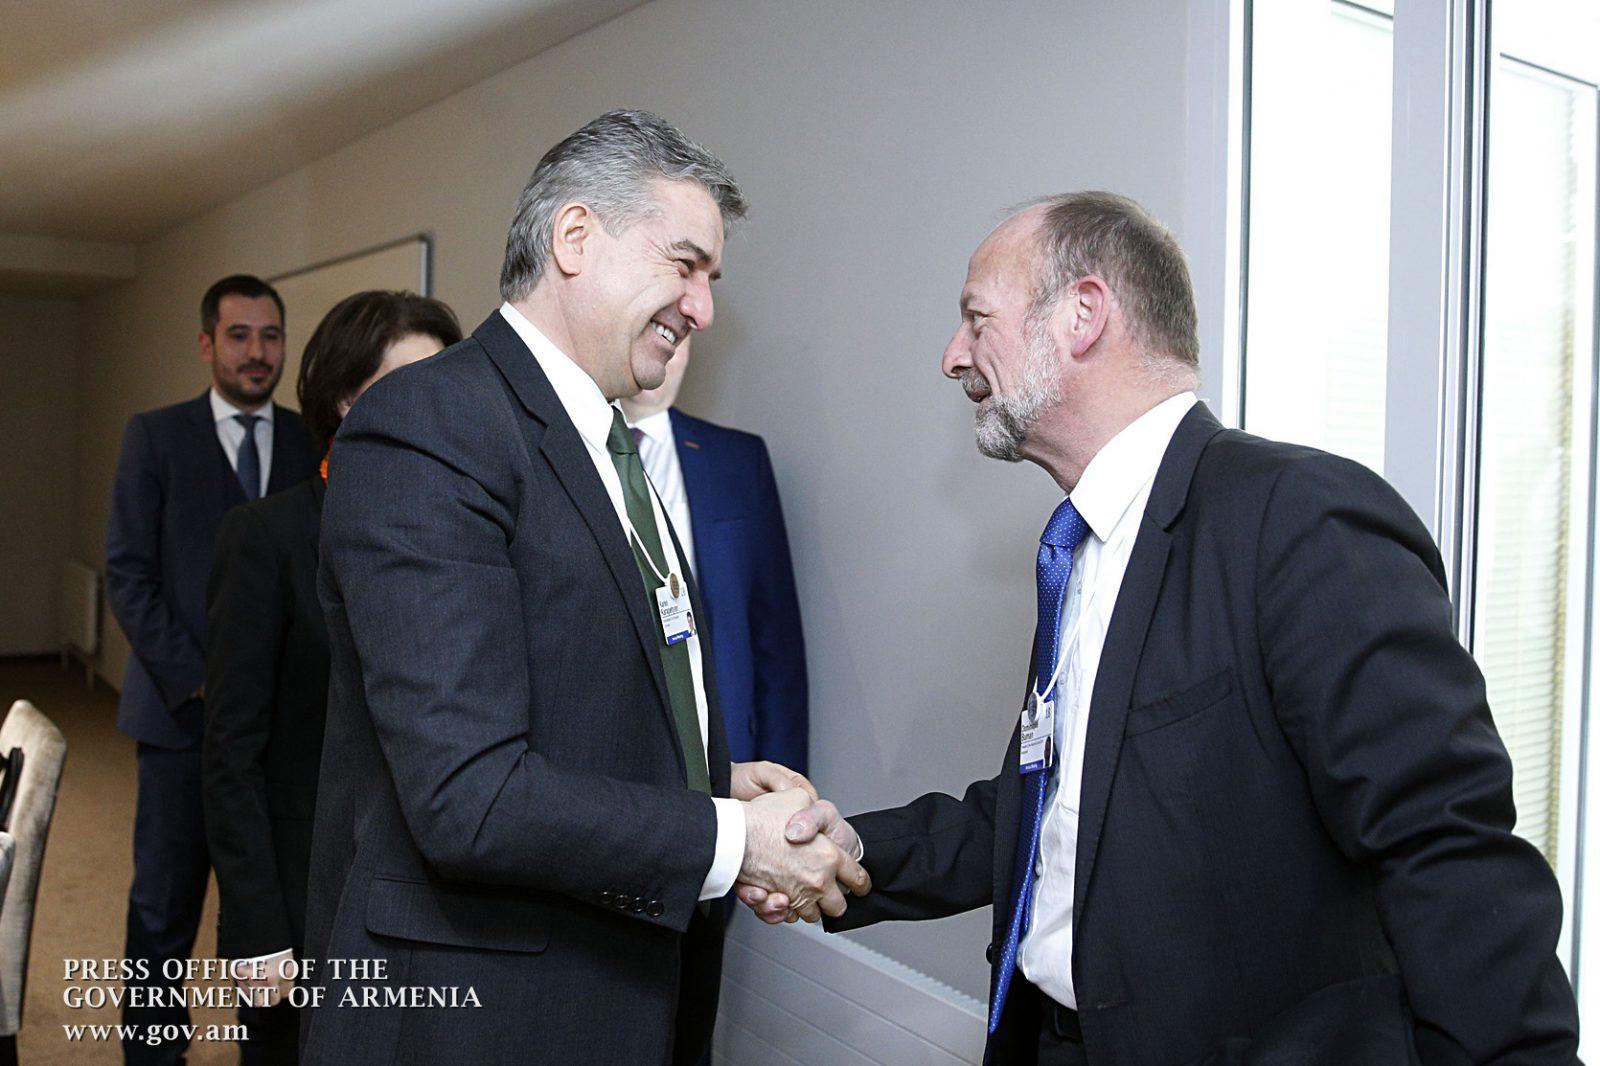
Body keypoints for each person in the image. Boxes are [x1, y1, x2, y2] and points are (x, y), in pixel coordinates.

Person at [749, 193, 1580, 1064]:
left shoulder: (1299, 518)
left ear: (1083, 315)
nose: (953, 355)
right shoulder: (1080, 547)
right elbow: (1053, 808)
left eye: (977, 318)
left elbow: (1447, 850)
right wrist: (851, 851)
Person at [301, 110, 867, 1066]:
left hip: (612, 977)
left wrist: (707, 777)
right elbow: (470, 796)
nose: (702, 309)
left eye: (711, 280)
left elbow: (570, 689)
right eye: (685, 265)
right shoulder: (430, 425)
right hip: (479, 1013)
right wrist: (732, 836)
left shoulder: (603, 442)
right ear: (574, 238)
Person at [202, 290, 461, 1064]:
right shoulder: (268, 537)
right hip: (303, 894)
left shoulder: (465, 535)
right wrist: (256, 931)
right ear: (346, 397)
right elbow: (231, 754)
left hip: (433, 896)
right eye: (408, 383)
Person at [104, 274, 318, 1064]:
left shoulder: (310, 442)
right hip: (179, 726)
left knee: (268, 917)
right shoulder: (155, 437)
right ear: (206, 344)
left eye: (271, 336)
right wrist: (201, 680)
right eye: (239, 335)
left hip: (280, 742)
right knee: (163, 912)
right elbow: (128, 573)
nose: (257, 352)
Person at [619, 335, 809, 772]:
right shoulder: (561, 452)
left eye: (676, 337)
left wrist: (784, 778)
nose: (664, 351)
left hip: (723, 753)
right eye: (648, 328)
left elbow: (776, 640)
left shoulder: (738, 461)